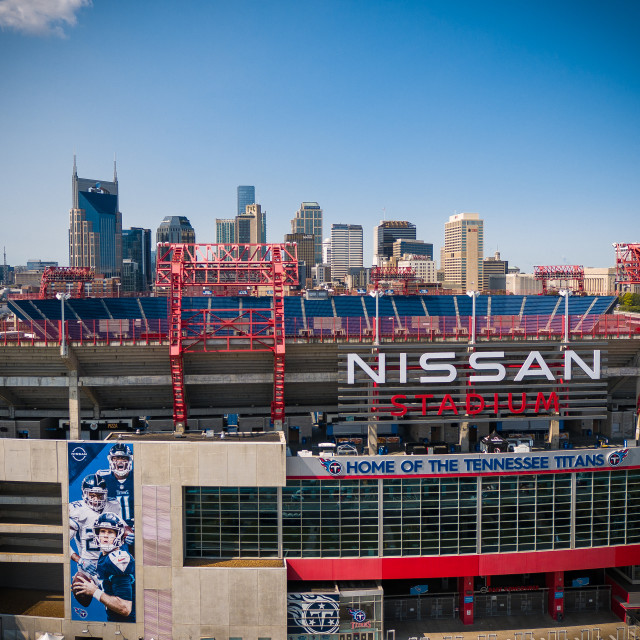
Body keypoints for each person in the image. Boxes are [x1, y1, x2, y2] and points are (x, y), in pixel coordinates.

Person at [72, 512, 135, 622]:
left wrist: (94, 591)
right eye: (102, 531)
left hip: (128, 624)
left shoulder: (118, 560)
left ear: (118, 535)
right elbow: (109, 585)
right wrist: (86, 586)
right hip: (114, 619)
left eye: (110, 532)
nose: (105, 535)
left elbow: (125, 608)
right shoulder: (104, 555)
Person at [69, 474, 122, 577]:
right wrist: (80, 560)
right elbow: (63, 542)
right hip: (89, 564)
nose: (96, 500)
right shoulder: (77, 510)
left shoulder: (113, 505)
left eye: (99, 495)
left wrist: (128, 534)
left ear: (105, 494)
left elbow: (122, 529)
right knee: (80, 587)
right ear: (85, 494)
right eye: (92, 495)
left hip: (111, 561)